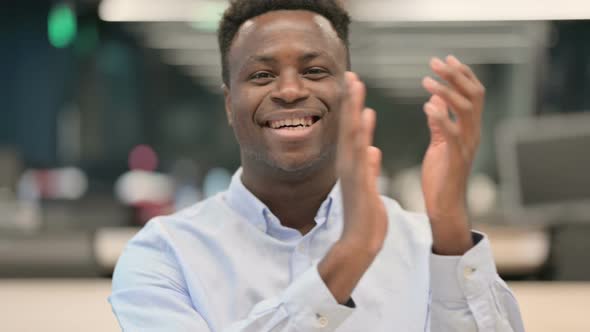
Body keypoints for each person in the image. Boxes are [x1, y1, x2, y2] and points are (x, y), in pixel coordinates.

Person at [109, 1, 525, 331]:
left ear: (348, 91)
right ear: (228, 104)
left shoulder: (428, 246)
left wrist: (450, 227)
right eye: (260, 75)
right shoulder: (164, 255)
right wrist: (348, 257)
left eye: (314, 70)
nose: (290, 90)